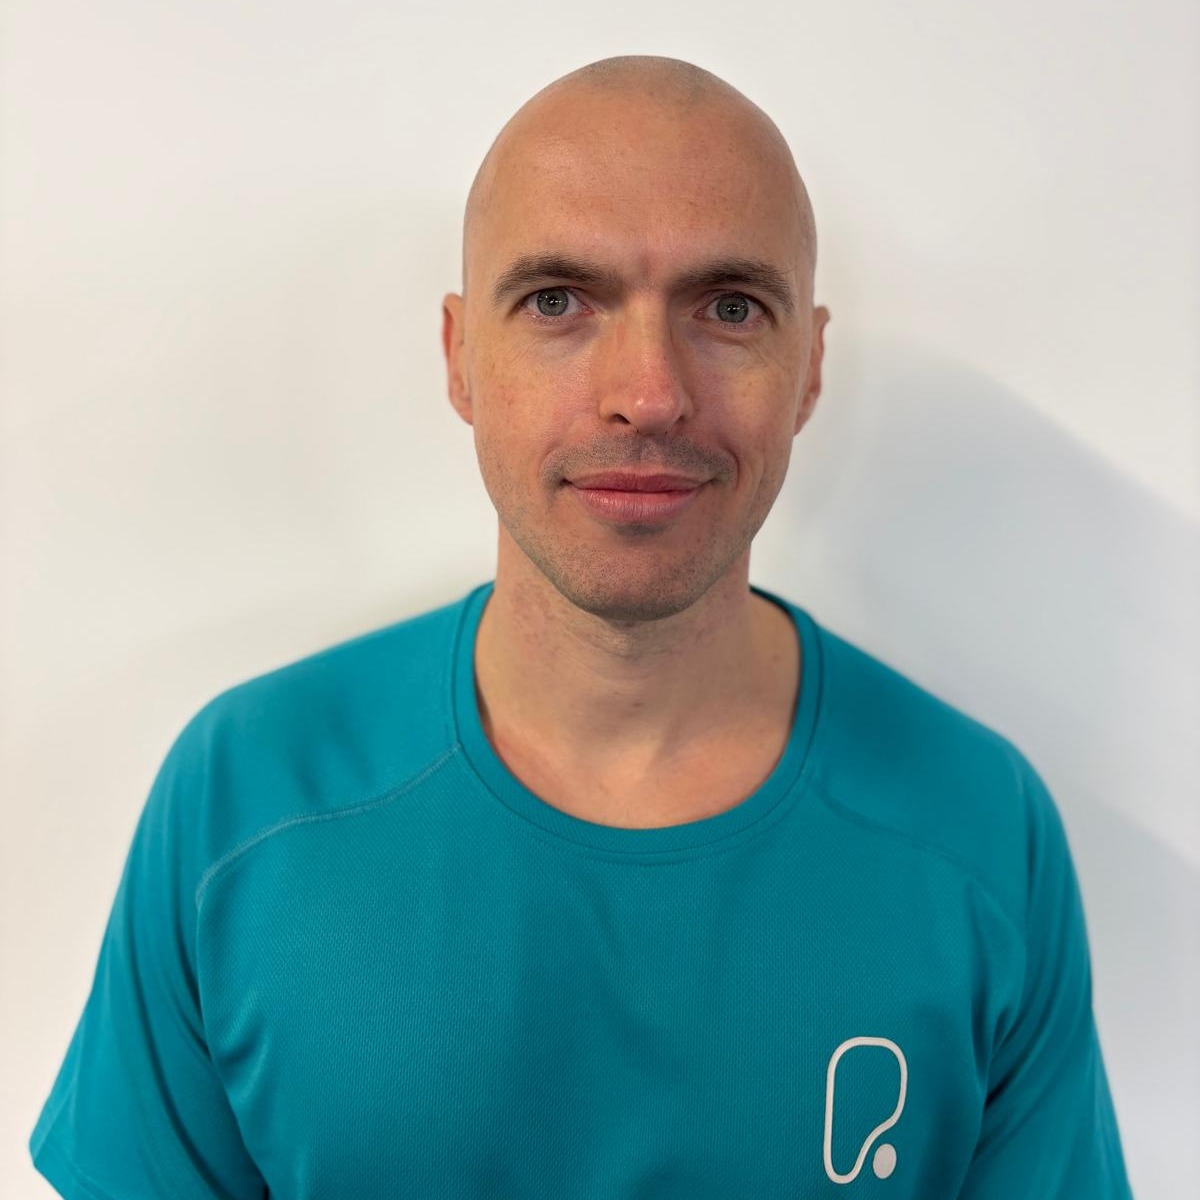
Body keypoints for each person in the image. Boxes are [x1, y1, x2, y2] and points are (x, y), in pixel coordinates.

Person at [29, 56, 1134, 1199]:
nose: (648, 393)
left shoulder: (977, 827)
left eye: (729, 308)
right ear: (461, 357)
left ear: (809, 367)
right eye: (558, 301)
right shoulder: (246, 797)